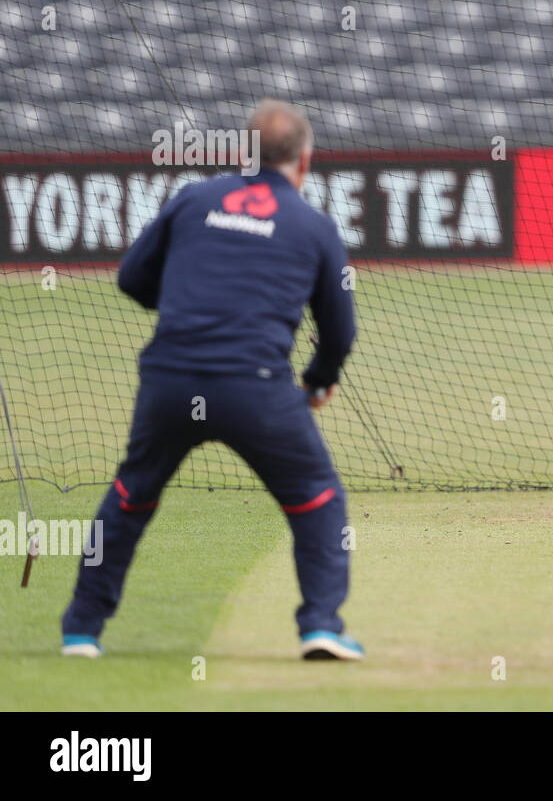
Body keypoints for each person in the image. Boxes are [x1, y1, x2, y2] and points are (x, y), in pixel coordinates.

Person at [60, 99, 363, 660]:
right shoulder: (313, 226)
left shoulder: (194, 198)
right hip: (256, 388)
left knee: (129, 496)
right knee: (317, 499)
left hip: (170, 379)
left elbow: (131, 279)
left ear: (247, 151)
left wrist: (180, 309)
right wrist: (319, 382)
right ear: (304, 160)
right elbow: (340, 332)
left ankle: (81, 631)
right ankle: (320, 626)